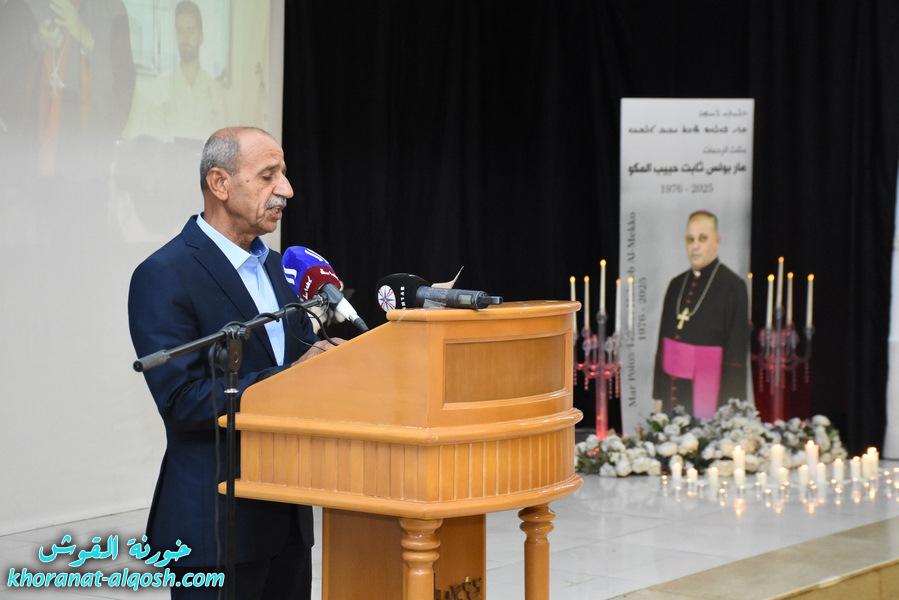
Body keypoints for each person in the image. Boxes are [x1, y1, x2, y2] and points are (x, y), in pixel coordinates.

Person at [128, 127, 335, 599]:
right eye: (268, 176)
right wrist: (295, 376)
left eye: (284, 174)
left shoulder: (280, 270)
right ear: (220, 184)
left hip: (287, 520)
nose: (287, 190)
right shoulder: (164, 275)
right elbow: (182, 402)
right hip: (214, 526)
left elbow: (302, 363)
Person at [652, 210, 749, 418]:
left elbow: (736, 356)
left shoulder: (733, 286)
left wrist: (731, 409)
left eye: (702, 239)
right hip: (672, 391)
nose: (695, 246)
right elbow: (662, 344)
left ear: (716, 241)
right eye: (690, 239)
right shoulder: (676, 284)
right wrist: (658, 395)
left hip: (711, 395)